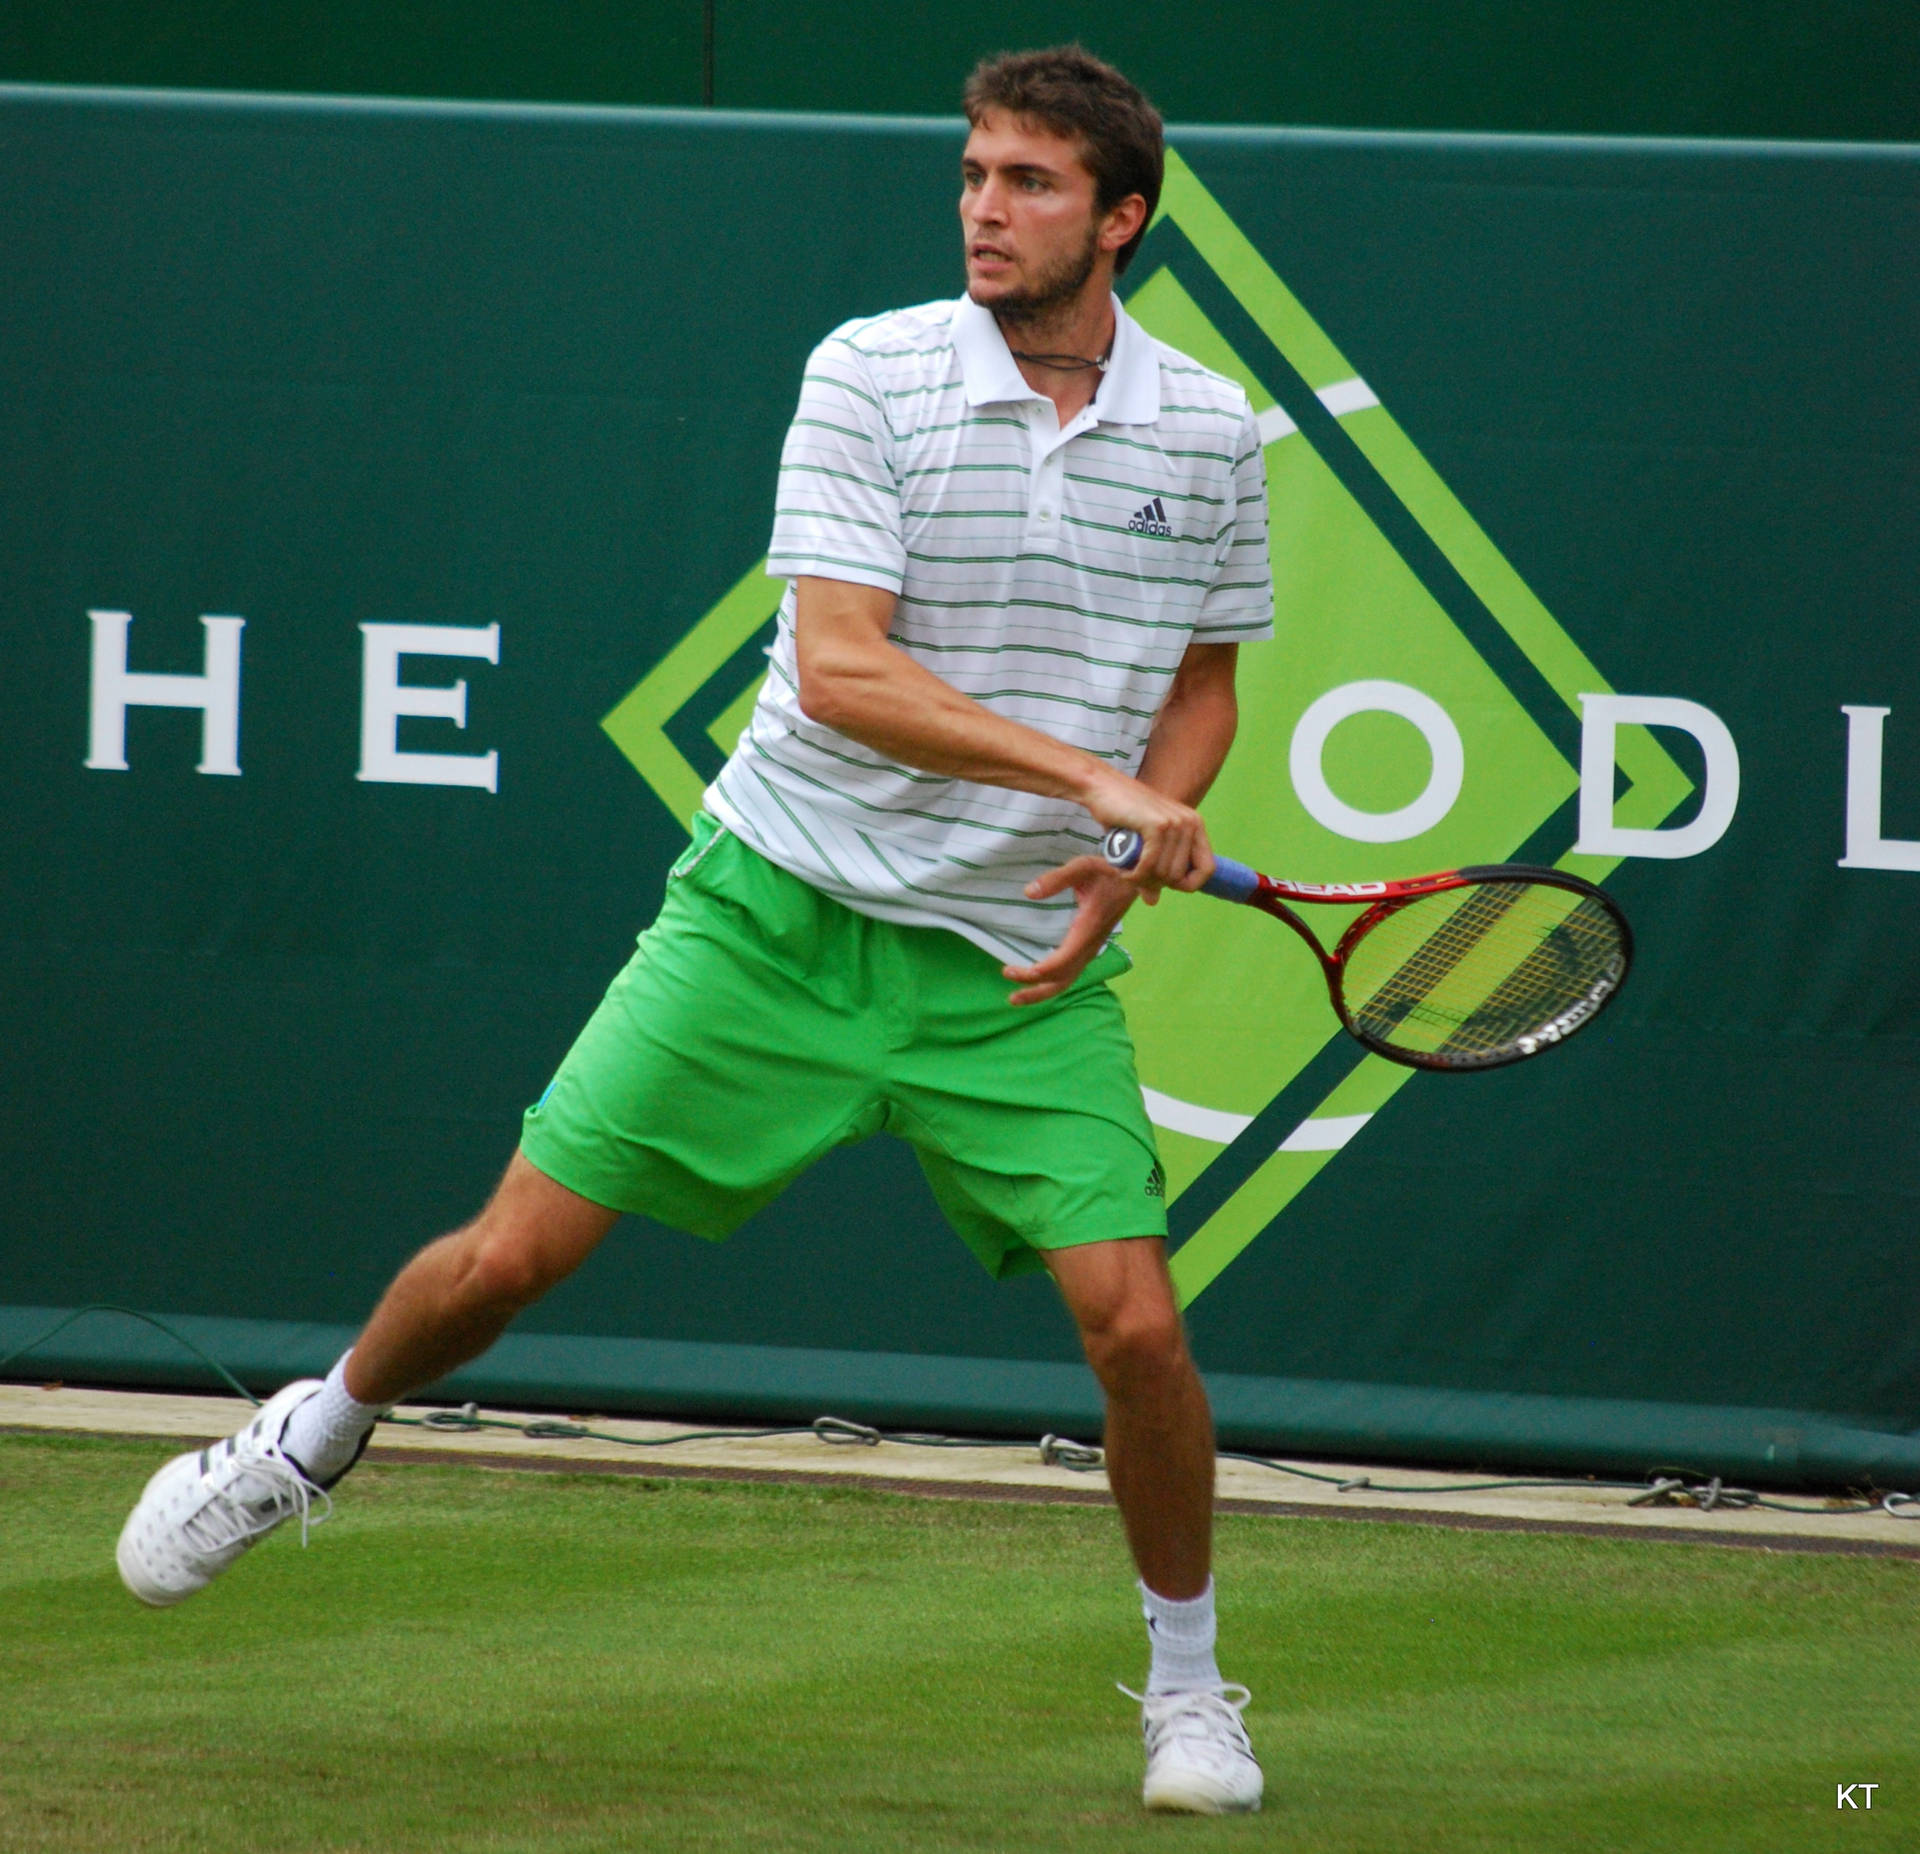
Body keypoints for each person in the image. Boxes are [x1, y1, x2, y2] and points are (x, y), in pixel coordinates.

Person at [116, 45, 1273, 1816]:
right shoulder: (869, 372)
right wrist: (1092, 782)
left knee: (1135, 1328)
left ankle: (1192, 1691)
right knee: (508, 1263)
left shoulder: (1205, 427)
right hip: (772, 910)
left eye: (1030, 182)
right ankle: (311, 1431)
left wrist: (1130, 840)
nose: (983, 204)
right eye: (973, 171)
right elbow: (843, 670)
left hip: (1009, 971)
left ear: (1121, 217)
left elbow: (1206, 685)